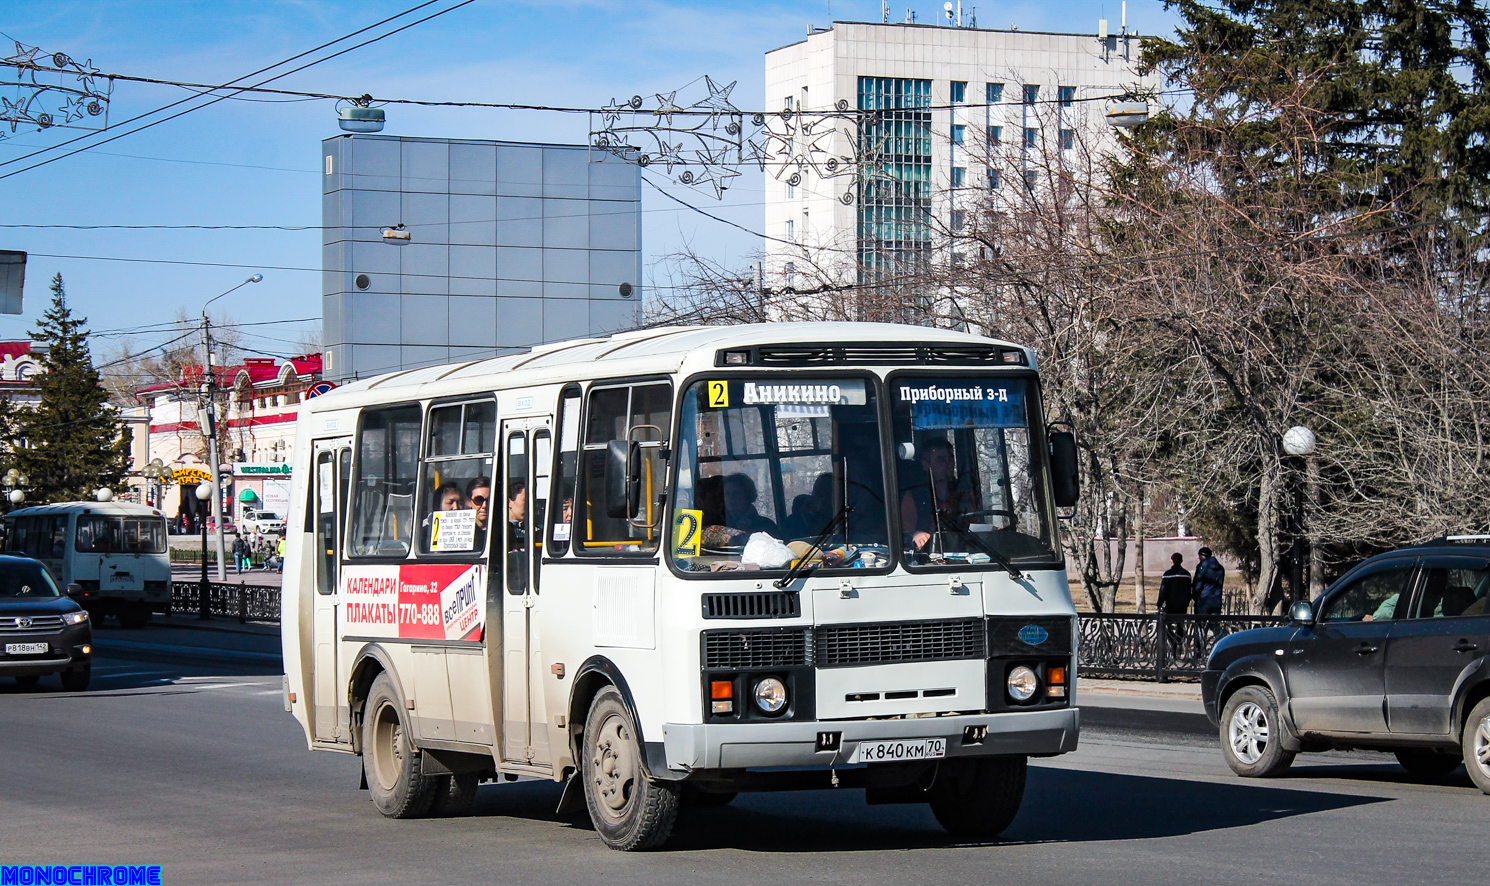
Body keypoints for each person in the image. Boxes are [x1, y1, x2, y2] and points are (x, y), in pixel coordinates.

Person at [1157, 552, 1193, 657]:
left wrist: (1159, 604)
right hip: (1182, 605)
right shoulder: (1186, 574)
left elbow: (1163, 590)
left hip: (1170, 605)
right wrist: (1187, 601)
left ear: (1171, 561)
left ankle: (1172, 642)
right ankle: (1178, 641)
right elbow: (1188, 590)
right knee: (1180, 625)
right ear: (1181, 561)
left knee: (1166, 625)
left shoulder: (1168, 574)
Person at [1193, 547, 1226, 616]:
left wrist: (1194, 595)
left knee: (1202, 624)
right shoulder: (1220, 568)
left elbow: (1198, 585)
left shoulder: (1202, 567)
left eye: (1199, 556)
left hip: (1203, 601)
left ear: (1202, 556)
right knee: (1214, 624)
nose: (1197, 557)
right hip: (1216, 601)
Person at [466, 476, 491, 549]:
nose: (484, 505)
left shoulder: (506, 529)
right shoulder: (463, 530)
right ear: (469, 502)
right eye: (478, 500)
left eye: (489, 500)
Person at [506, 479, 527, 551]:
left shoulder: (535, 530)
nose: (531, 505)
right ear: (509, 502)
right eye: (526, 500)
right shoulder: (501, 530)